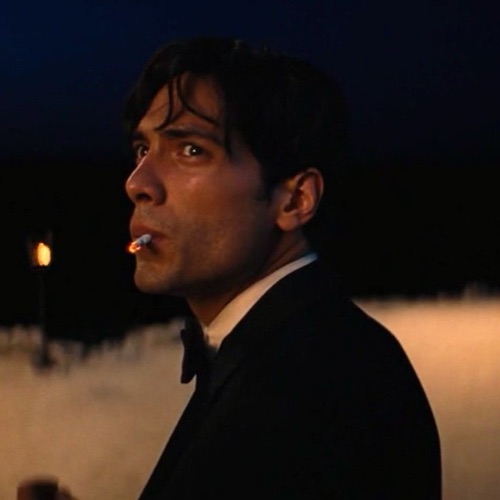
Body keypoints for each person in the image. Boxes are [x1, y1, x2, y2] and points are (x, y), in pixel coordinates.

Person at [124, 37, 441, 499]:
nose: (138, 183)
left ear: (295, 199)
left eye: (190, 150)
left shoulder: (321, 384)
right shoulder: (289, 348)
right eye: (141, 150)